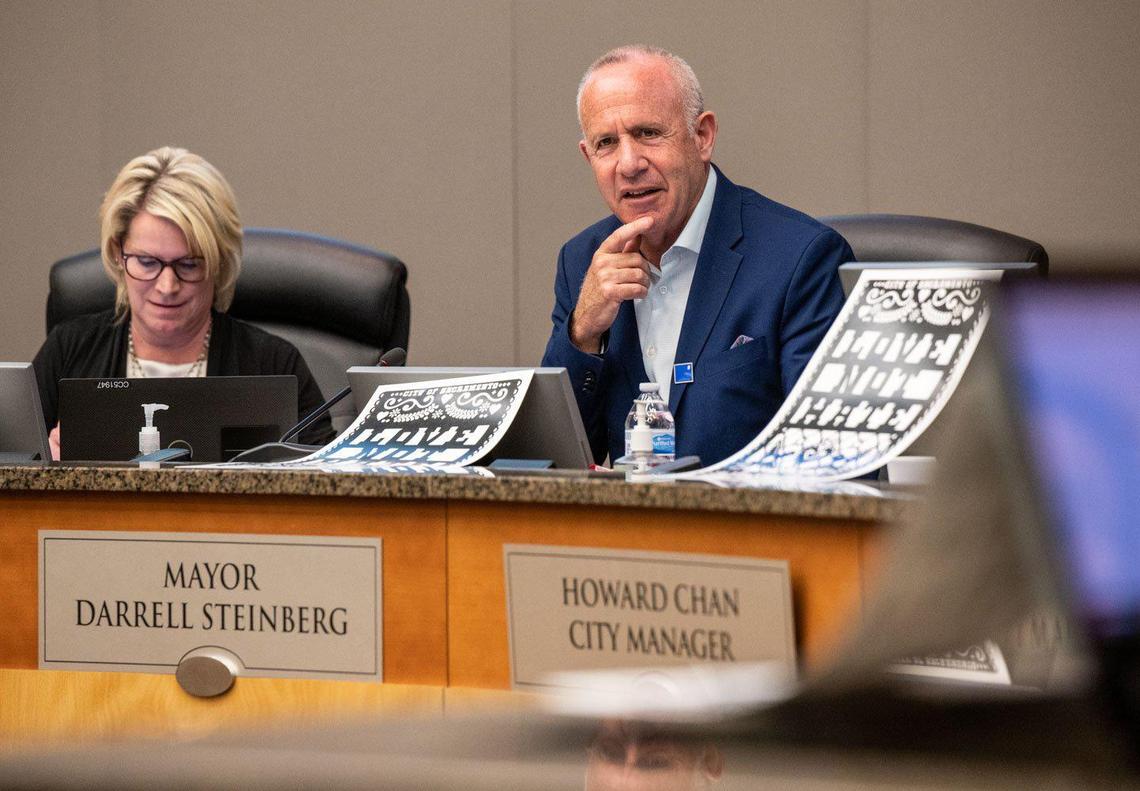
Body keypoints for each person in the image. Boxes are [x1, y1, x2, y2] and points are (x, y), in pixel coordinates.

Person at [541, 45, 853, 466]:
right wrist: (583, 332)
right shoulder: (583, 261)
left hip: (751, 527)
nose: (629, 163)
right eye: (607, 143)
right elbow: (556, 458)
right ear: (588, 156)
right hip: (623, 531)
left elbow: (830, 456)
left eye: (648, 133)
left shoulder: (799, 258)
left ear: (702, 136)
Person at [33, 146, 334, 459]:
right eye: (147, 262)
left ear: (218, 263)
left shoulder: (275, 365)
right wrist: (46, 465)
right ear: (117, 254)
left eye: (189, 264)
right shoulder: (69, 352)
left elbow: (331, 482)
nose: (167, 286)